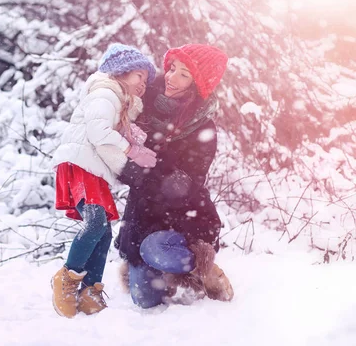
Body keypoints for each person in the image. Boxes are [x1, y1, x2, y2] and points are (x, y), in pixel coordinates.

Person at [115, 43, 235, 309]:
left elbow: (185, 184)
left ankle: (199, 267)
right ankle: (157, 273)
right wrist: (139, 163)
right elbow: (121, 165)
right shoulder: (142, 106)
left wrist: (145, 162)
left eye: (184, 74)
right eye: (172, 68)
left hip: (184, 217)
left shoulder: (203, 128)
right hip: (141, 216)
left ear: (196, 84)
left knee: (154, 249)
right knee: (145, 300)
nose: (171, 77)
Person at [50, 43, 158, 318]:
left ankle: (90, 289)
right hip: (81, 164)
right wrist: (131, 151)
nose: (142, 84)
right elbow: (98, 131)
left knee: (104, 230)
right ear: (121, 71)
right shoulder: (106, 92)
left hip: (92, 167)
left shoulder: (119, 99)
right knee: (96, 222)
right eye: (139, 76)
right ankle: (67, 278)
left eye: (146, 80)